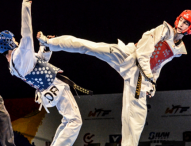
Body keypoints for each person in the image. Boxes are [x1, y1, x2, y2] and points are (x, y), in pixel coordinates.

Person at [37, 10, 191, 146]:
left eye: (186, 23)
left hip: (141, 77)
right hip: (128, 56)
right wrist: (149, 77)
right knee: (91, 47)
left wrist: (152, 83)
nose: (182, 24)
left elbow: (158, 65)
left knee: (136, 121)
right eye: (182, 20)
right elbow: (143, 53)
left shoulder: (178, 49)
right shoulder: (164, 30)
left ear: (189, 29)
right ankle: (50, 42)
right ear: (178, 19)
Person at [0, 0, 92, 145]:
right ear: (8, 42)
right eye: (12, 39)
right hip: (54, 86)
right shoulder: (19, 56)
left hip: (50, 88)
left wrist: (45, 46)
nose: (16, 40)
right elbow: (26, 33)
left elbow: (41, 61)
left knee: (69, 120)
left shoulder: (16, 63)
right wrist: (26, 6)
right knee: (74, 121)